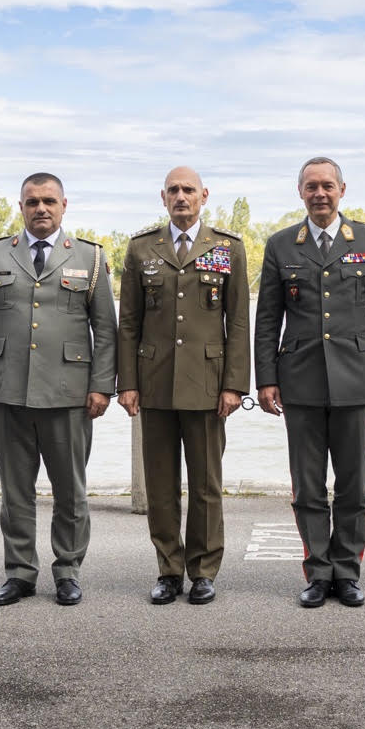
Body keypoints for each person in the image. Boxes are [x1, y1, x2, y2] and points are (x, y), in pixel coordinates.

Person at [0, 173, 116, 606]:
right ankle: (19, 573)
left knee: (71, 492)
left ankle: (67, 571)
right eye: (32, 202)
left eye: (49, 200)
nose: (41, 208)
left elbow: (106, 329)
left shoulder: (90, 257)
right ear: (21, 207)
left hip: (70, 393)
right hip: (7, 391)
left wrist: (103, 386)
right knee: (15, 492)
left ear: (64, 205)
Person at [254, 156, 365, 608]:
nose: (320, 193)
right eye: (311, 186)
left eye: (327, 186)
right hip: (299, 381)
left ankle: (348, 572)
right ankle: (318, 572)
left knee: (354, 486)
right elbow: (267, 320)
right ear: (300, 192)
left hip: (357, 379)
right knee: (308, 486)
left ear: (342, 190)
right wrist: (266, 379)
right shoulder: (281, 245)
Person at [115, 167, 251, 605]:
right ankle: (169, 570)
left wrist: (234, 385)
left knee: (206, 485)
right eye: (173, 190)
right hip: (154, 382)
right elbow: (129, 322)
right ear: (163, 197)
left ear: (203, 195)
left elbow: (238, 322)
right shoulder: (142, 248)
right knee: (160, 485)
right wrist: (127, 382)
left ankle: (204, 571)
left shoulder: (227, 248)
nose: (180, 196)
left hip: (207, 385)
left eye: (188, 189)